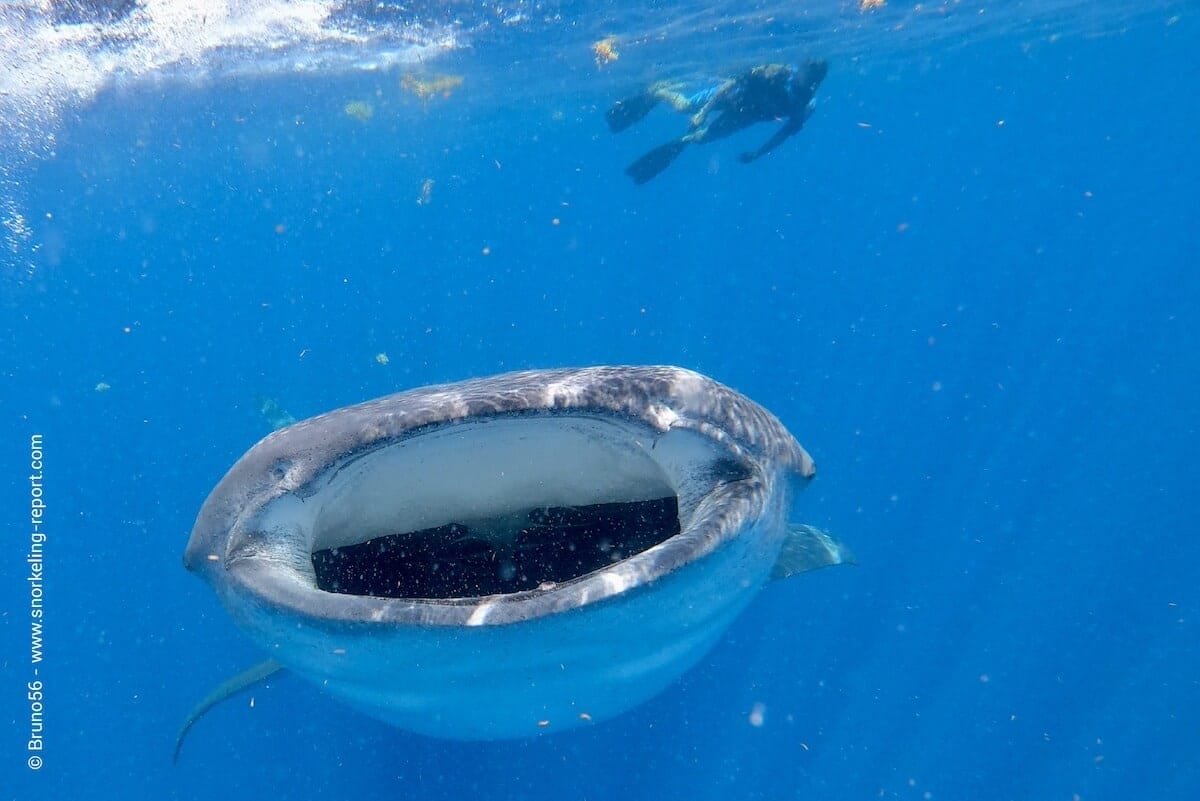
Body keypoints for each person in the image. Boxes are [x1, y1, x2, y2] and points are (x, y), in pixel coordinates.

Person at [606, 60, 828, 185]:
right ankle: (660, 91)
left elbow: (783, 134)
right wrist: (703, 112)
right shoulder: (776, 73)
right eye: (803, 70)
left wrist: (758, 153)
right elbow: (729, 85)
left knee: (700, 139)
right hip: (729, 96)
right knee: (684, 107)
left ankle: (683, 140)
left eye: (807, 74)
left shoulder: (805, 106)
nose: (799, 73)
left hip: (745, 116)